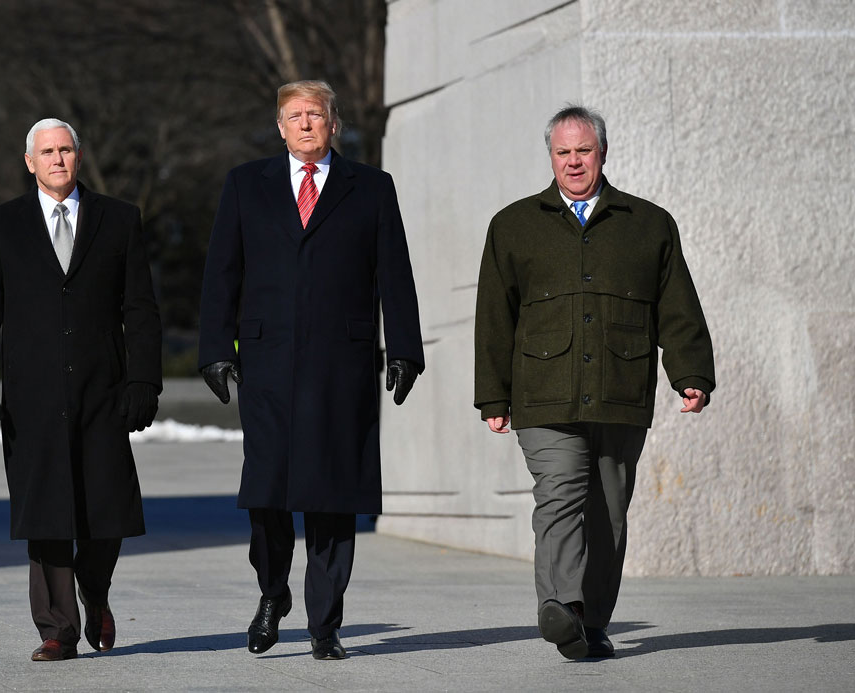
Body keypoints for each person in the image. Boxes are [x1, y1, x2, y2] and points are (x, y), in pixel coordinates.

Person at [473, 105, 715, 659]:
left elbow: (678, 307)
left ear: (602, 153)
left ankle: (592, 620)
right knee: (558, 495)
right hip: (543, 394)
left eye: (584, 151)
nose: (574, 161)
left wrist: (691, 372)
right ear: (550, 157)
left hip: (620, 393)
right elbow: (494, 314)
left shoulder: (649, 223)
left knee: (608, 512)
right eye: (564, 152)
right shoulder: (512, 225)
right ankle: (561, 607)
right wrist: (493, 394)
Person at [198, 80, 424, 660]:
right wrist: (214, 349)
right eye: (294, 116)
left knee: (332, 494)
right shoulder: (247, 184)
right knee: (267, 493)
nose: (304, 124)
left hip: (340, 366)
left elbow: (393, 273)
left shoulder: (370, 188)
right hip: (267, 363)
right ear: (279, 125)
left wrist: (403, 348)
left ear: (333, 123)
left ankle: (326, 625)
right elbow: (223, 272)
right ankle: (273, 594)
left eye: (315, 115)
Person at [0, 118, 162, 662]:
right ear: (30, 162)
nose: (57, 159)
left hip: (103, 389)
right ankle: (57, 630)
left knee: (108, 508)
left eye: (66, 149)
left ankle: (94, 589)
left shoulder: (119, 220)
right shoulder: (1, 225)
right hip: (32, 396)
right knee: (46, 512)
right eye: (46, 151)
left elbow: (140, 308)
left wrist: (145, 378)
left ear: (79, 156)